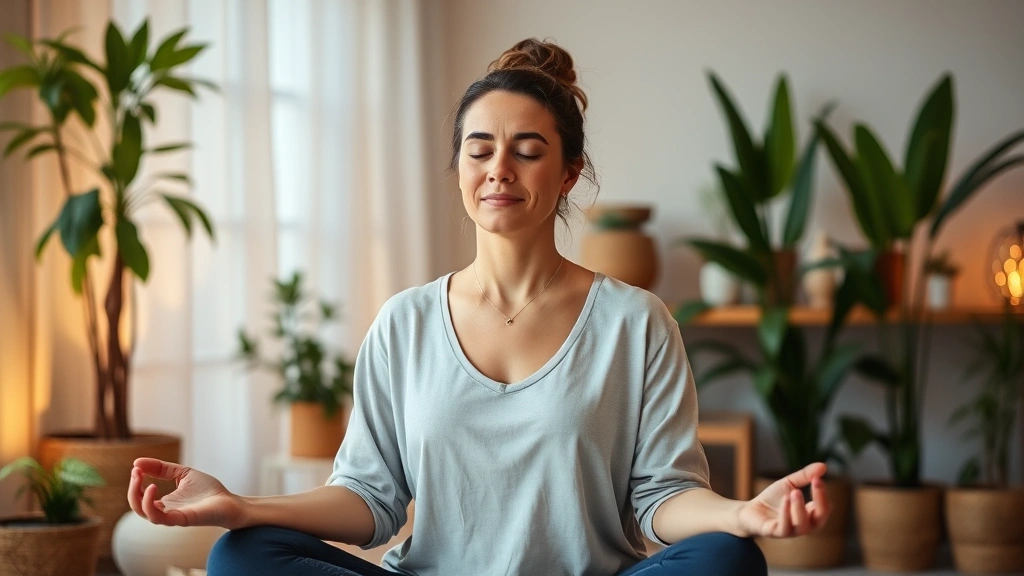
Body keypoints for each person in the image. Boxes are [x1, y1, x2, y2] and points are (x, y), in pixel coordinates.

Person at [128, 38, 830, 576]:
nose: (499, 169)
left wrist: (743, 513)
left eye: (528, 151)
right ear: (460, 167)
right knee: (241, 556)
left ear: (567, 174)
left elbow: (663, 497)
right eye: (480, 149)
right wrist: (242, 506)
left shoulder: (636, 322)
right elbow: (369, 503)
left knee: (728, 560)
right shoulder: (404, 323)